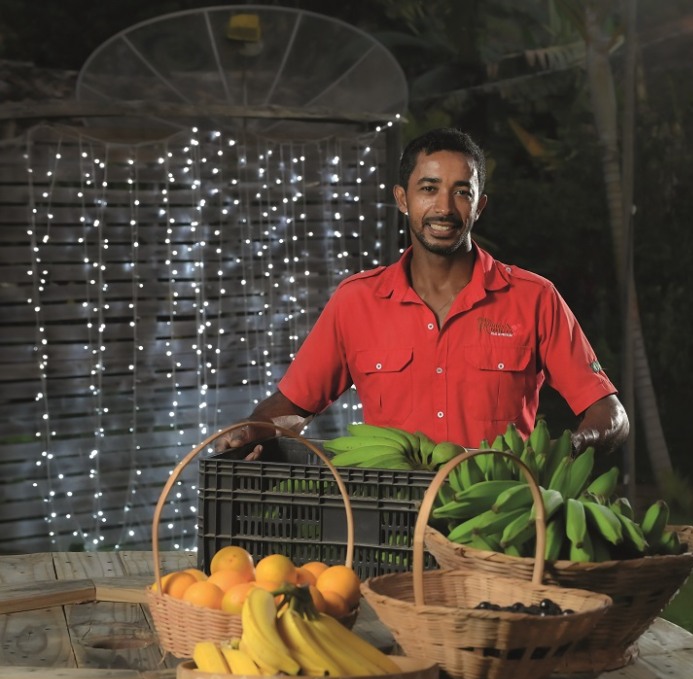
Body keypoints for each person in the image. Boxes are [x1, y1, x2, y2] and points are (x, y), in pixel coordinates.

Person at [216, 127, 628, 458]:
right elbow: (293, 406)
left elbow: (610, 414)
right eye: (429, 188)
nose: (444, 208)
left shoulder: (534, 299)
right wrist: (254, 430)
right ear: (403, 198)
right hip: (390, 518)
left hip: (499, 515)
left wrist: (566, 450)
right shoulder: (356, 302)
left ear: (480, 206)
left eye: (461, 192)